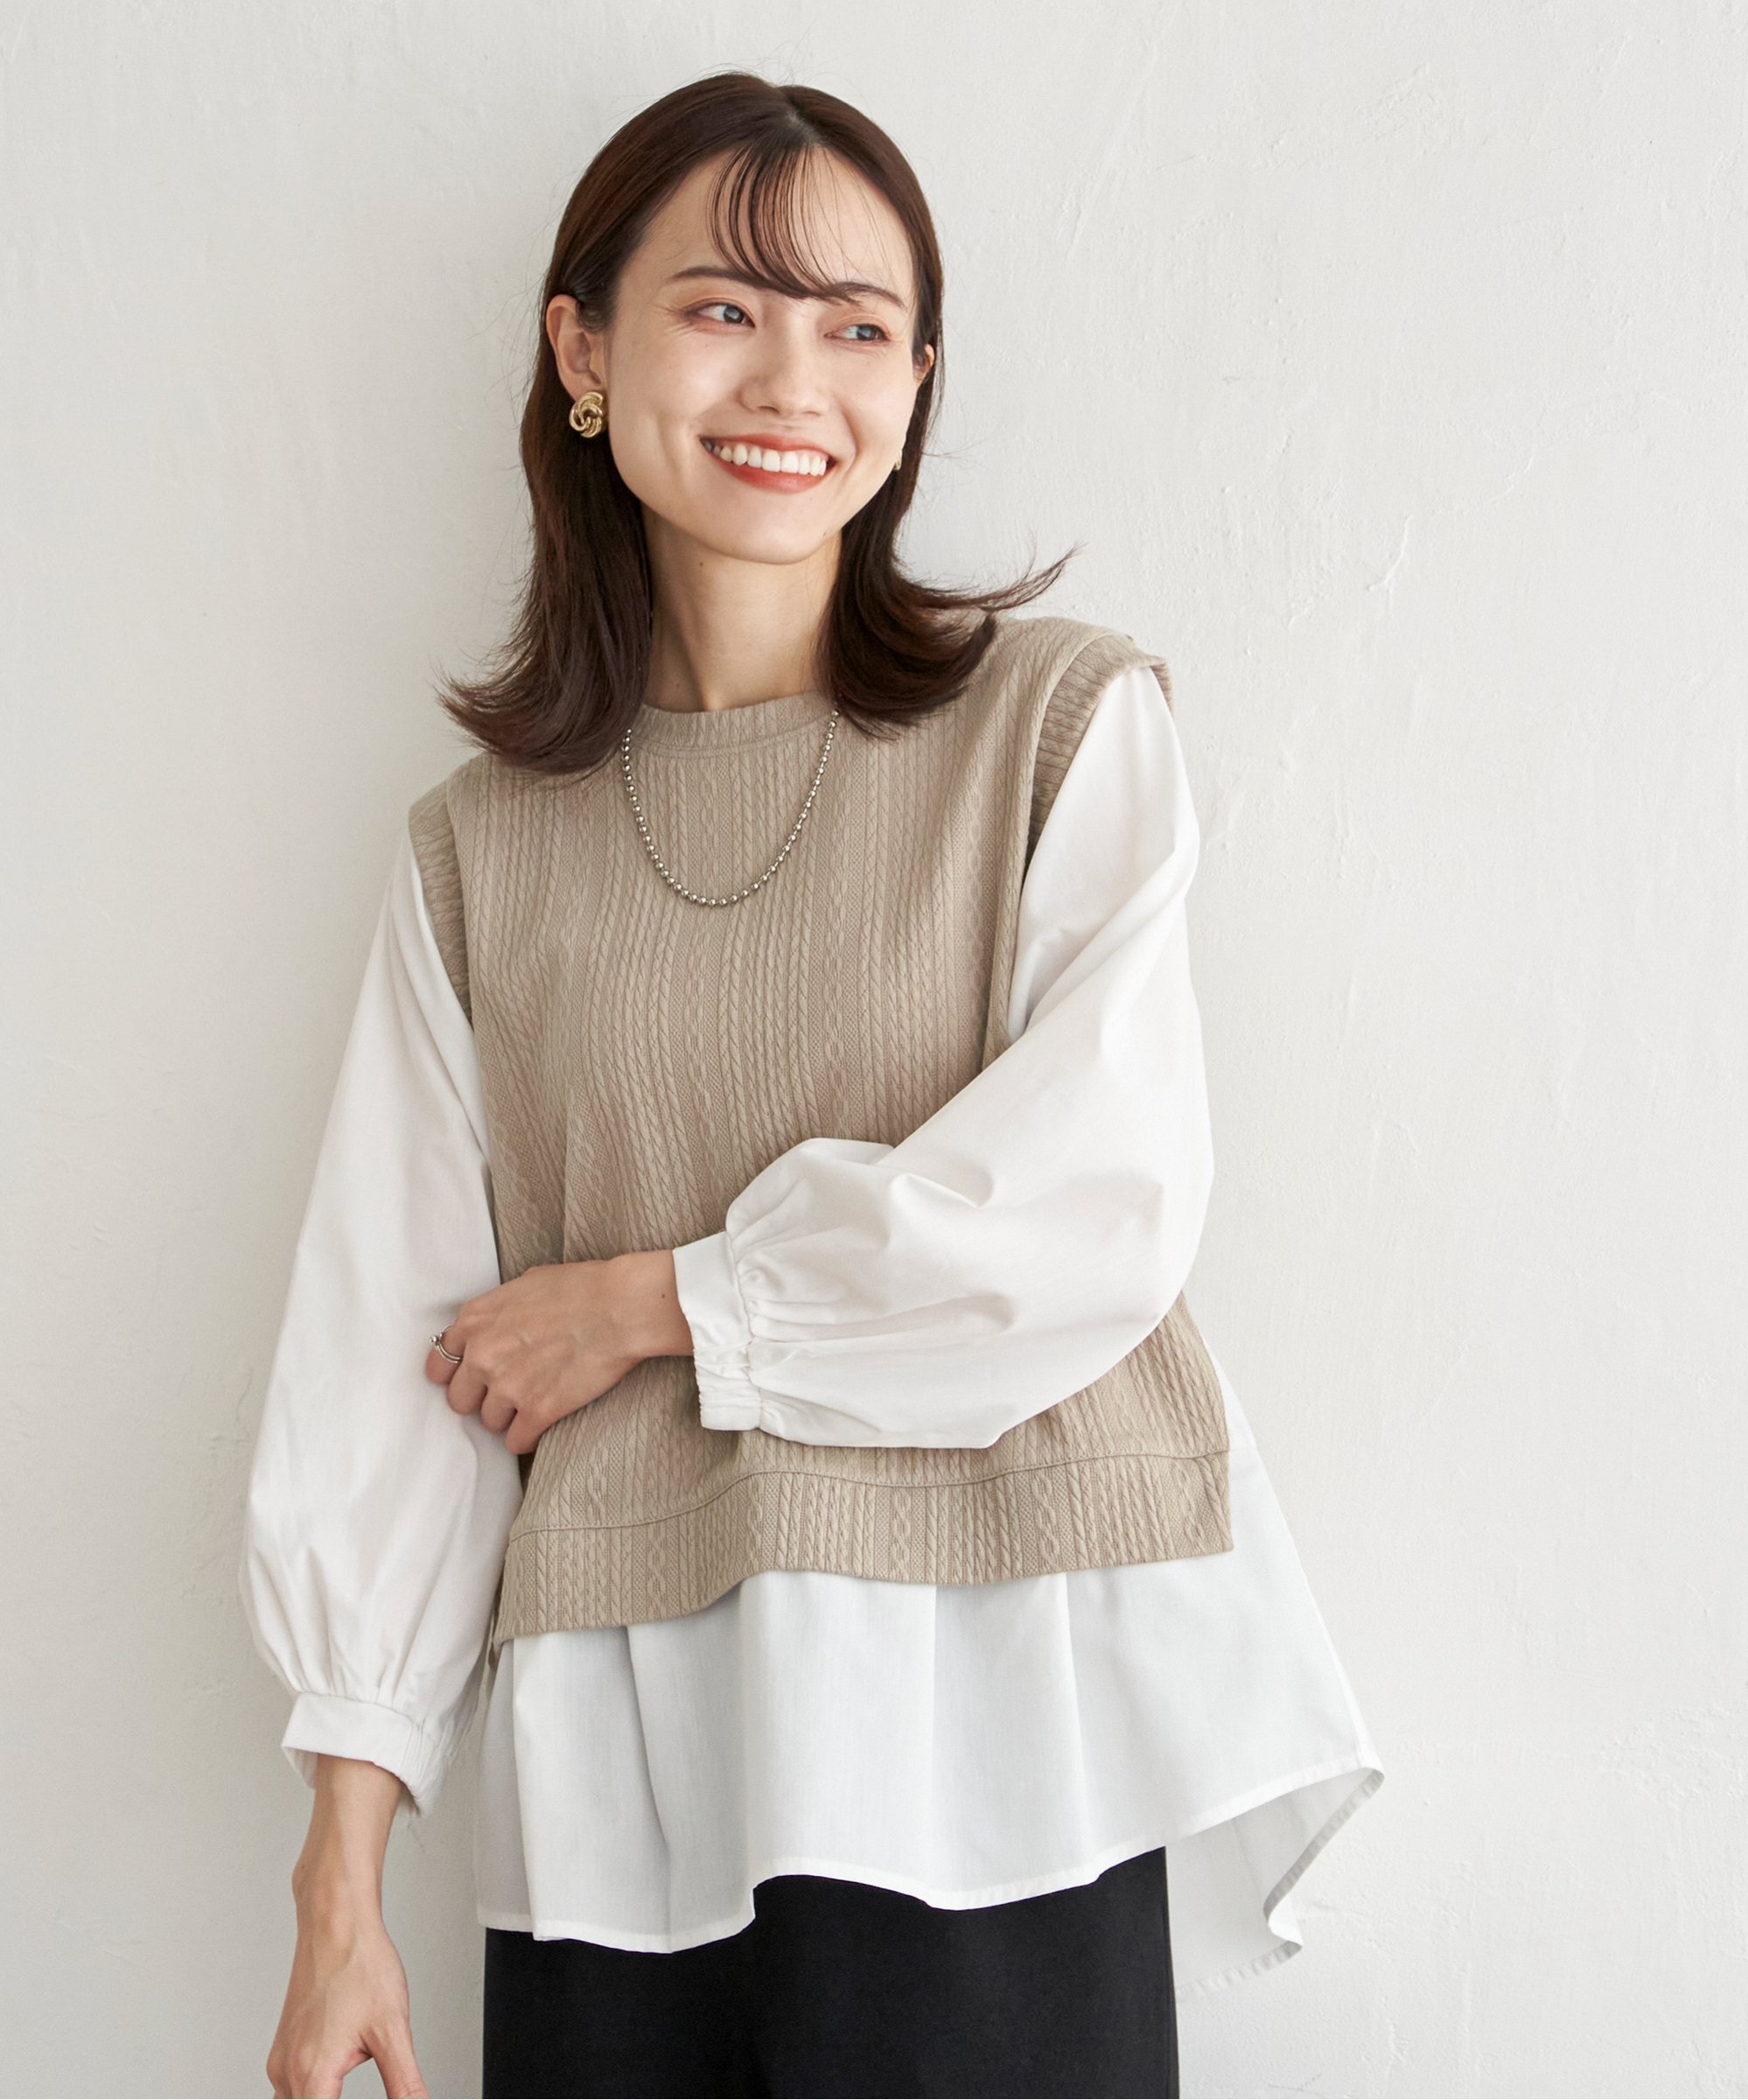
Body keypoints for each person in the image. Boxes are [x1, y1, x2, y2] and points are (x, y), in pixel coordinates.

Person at [237, 71, 1382, 2100]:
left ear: (915, 385)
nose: (793, 381)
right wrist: (342, 1889)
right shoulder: (476, 852)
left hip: (989, 1750)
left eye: (860, 327)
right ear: (583, 351)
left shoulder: (1056, 731)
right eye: (724, 308)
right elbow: (394, 1360)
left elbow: (1088, 1211)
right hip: (619, 1791)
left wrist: (651, 1302)